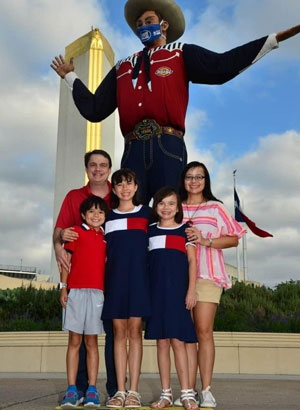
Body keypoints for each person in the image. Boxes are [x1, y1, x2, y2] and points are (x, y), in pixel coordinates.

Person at [51, 0, 300, 204]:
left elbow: (222, 66)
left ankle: (171, 263)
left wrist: (273, 40)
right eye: (139, 24)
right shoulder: (123, 67)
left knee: (170, 207)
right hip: (133, 147)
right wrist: (70, 76)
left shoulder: (180, 52)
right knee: (128, 208)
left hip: (167, 144)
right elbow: (95, 108)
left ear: (164, 25)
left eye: (149, 21)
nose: (143, 27)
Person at [178, 161, 246, 408]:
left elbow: (234, 239)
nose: (194, 181)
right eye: (189, 176)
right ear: (183, 179)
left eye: (199, 177)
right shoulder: (174, 206)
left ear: (206, 181)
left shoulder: (216, 208)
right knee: (184, 337)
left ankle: (205, 389)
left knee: (203, 331)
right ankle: (188, 390)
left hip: (208, 276)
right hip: (177, 280)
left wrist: (206, 241)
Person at [53, 149, 117, 402]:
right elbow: (60, 234)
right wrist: (60, 245)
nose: (98, 169)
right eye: (93, 165)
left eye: (103, 165)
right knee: (76, 340)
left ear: (110, 169)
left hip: (106, 285)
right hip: (78, 287)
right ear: (87, 168)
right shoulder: (74, 197)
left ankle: (112, 389)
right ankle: (77, 389)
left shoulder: (121, 193)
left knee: (105, 338)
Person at [101, 168, 151, 408]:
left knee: (135, 334)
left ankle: (134, 391)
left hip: (140, 282)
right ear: (114, 188)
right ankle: (119, 391)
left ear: (136, 186)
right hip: (115, 283)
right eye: (119, 184)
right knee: (118, 335)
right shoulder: (107, 218)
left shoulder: (147, 214)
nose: (125, 188)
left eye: (129, 183)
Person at [145, 186, 198, 410]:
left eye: (171, 204)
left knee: (178, 342)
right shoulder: (149, 231)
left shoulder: (186, 230)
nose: (166, 208)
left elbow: (192, 262)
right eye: (161, 203)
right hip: (156, 294)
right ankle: (166, 394)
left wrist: (191, 290)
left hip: (178, 294)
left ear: (178, 208)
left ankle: (187, 394)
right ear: (155, 207)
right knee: (162, 343)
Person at [59, 195, 108, 407]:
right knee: (74, 342)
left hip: (97, 294)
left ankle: (92, 389)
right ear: (83, 215)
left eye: (100, 212)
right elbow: (65, 262)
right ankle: (71, 389)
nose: (96, 216)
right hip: (76, 292)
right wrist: (63, 288)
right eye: (91, 212)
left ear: (105, 216)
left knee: (92, 342)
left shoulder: (106, 238)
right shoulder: (76, 233)